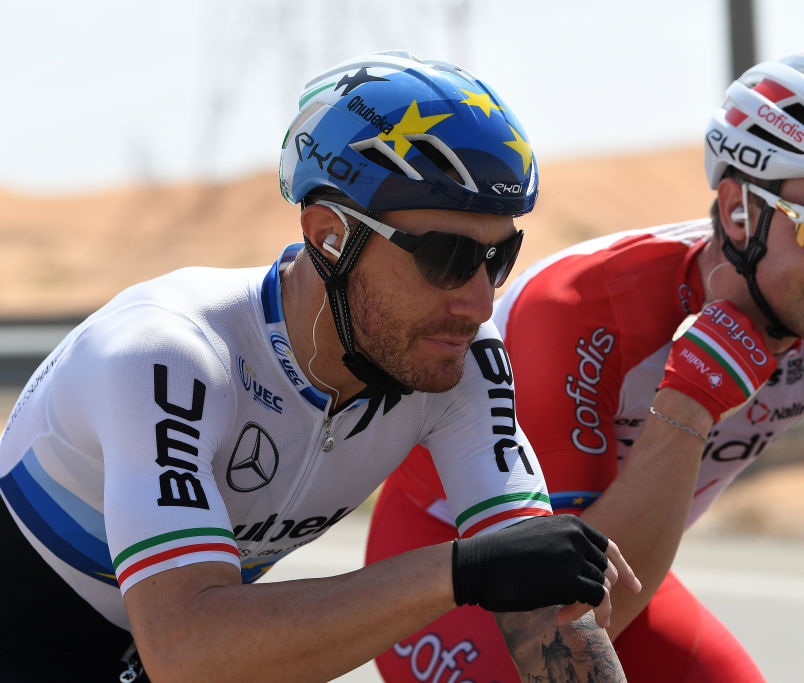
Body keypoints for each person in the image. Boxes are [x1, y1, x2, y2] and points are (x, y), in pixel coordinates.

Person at [368, 50, 804, 682]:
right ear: (741, 212)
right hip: (449, 558)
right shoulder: (581, 308)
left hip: (614, 557)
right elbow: (568, 621)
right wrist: (687, 405)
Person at [0, 51, 641, 682]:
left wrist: (521, 575)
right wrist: (462, 569)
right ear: (331, 235)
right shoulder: (169, 355)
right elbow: (188, 651)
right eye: (446, 257)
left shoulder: (458, 350)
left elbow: (544, 609)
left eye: (499, 258)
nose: (479, 300)